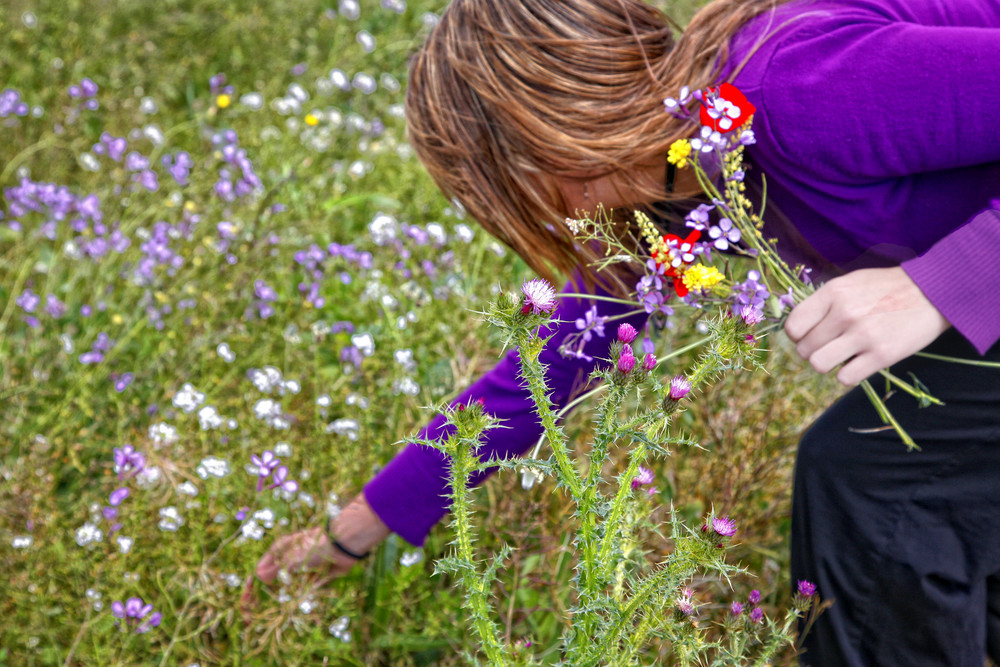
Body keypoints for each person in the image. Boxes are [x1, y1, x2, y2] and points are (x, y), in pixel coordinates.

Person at [253, 0, 1000, 662]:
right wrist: (350, 535)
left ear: (553, 138)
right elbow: (544, 375)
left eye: (503, 187)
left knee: (869, 480)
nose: (528, 218)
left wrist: (936, 287)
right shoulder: (669, 190)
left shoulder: (797, 91)